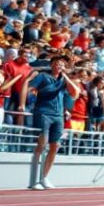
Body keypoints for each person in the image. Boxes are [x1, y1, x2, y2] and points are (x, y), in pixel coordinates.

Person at [18, 52, 81, 190]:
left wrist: (66, 77)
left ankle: (44, 177)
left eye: (63, 64)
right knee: (41, 145)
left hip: (58, 116)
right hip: (43, 113)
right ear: (51, 64)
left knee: (55, 146)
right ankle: (34, 180)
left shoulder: (63, 80)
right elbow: (28, 86)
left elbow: (75, 93)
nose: (60, 65)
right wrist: (23, 103)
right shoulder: (43, 76)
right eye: (57, 63)